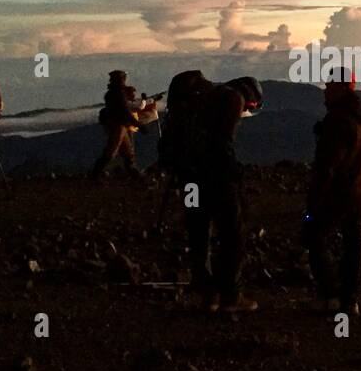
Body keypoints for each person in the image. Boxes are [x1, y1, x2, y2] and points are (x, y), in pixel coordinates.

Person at [161, 72, 263, 314]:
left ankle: (208, 295)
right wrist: (233, 172)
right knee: (232, 234)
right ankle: (231, 295)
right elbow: (222, 142)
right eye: (249, 108)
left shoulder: (197, 101)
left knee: (198, 234)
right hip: (216, 178)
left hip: (188, 177)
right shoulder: (233, 98)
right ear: (250, 97)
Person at [304, 71, 361, 317]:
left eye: (329, 85)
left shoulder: (337, 121)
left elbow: (327, 166)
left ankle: (331, 294)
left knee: (314, 237)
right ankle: (349, 300)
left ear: (341, 88)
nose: (325, 90)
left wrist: (313, 202)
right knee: (354, 242)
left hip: (338, 195)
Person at [91, 70, 146, 179]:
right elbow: (125, 111)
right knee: (112, 151)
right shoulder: (118, 93)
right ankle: (95, 174)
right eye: (123, 78)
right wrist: (139, 124)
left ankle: (135, 175)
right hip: (118, 125)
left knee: (128, 152)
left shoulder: (113, 93)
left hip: (120, 125)